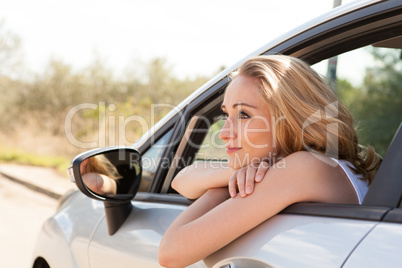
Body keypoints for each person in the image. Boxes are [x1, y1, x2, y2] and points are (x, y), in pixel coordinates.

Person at [158, 55, 380, 268]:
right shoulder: (330, 166)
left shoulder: (305, 168)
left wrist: (228, 188)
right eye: (226, 115)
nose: (224, 133)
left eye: (244, 115)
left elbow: (171, 252)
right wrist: (238, 171)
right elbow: (182, 180)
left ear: (292, 119)